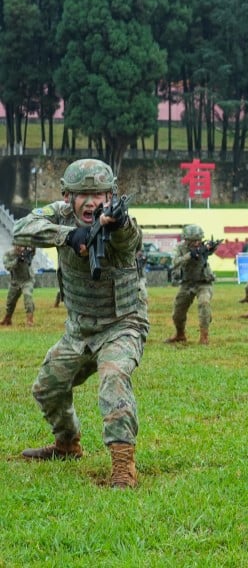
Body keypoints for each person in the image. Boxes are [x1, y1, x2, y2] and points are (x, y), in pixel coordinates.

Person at [14, 158, 148, 487]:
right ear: (66, 196)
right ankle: (67, 443)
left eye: (100, 193)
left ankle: (122, 464)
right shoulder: (59, 216)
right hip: (79, 329)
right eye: (82, 194)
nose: (91, 202)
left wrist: (114, 227)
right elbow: (21, 229)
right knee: (48, 388)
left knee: (113, 378)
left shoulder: (121, 224)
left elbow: (129, 240)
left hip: (122, 324)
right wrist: (69, 235)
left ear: (111, 194)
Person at [163, 224, 217, 345]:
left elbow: (211, 250)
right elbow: (175, 262)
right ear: (186, 240)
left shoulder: (203, 247)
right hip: (187, 283)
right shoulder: (180, 248)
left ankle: (204, 336)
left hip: (204, 283)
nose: (197, 243)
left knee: (204, 303)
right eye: (193, 241)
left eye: (199, 240)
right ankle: (180, 334)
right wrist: (190, 255)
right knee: (178, 312)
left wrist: (211, 247)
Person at [2, 245, 36, 326]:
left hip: (27, 280)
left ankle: (29, 320)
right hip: (15, 281)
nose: (21, 247)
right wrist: (17, 260)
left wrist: (32, 249)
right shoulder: (9, 254)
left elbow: (33, 252)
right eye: (19, 245)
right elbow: (8, 266)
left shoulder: (27, 253)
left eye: (22, 245)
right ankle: (7, 319)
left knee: (27, 296)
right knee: (10, 302)